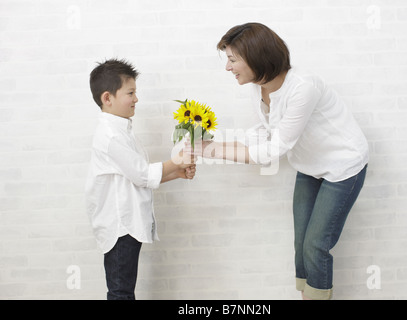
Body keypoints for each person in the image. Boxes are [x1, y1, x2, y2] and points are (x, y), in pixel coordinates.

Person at [193, 23, 369, 300]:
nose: (228, 68)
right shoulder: (258, 87)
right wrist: (204, 147)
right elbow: (262, 133)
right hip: (310, 166)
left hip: (342, 166)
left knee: (315, 245)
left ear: (255, 57)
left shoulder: (303, 88)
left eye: (232, 60)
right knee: (301, 243)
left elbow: (274, 150)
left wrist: (213, 151)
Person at [85, 58, 196, 300]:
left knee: (124, 291)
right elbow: (143, 174)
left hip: (126, 224)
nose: (136, 98)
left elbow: (136, 177)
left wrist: (175, 173)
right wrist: (178, 161)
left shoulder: (122, 130)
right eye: (131, 92)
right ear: (107, 98)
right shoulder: (110, 136)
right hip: (119, 227)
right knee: (121, 293)